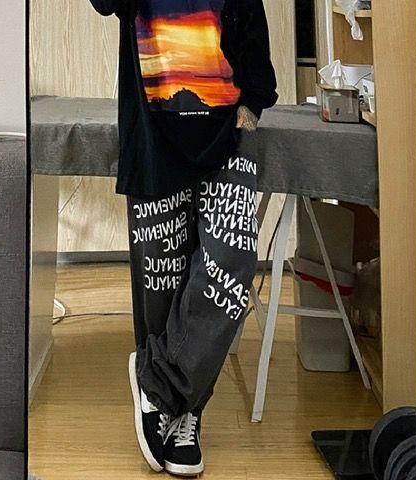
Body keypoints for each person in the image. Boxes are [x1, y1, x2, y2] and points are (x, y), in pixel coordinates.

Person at [90, 0, 278, 475]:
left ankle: (160, 389)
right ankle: (183, 409)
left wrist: (253, 104)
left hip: (230, 129)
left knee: (229, 266)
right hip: (154, 134)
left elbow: (250, 23)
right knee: (162, 277)